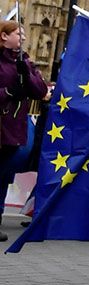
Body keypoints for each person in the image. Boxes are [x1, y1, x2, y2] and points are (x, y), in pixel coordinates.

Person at [0, 20, 50, 239]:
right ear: (4, 36)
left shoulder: (25, 61)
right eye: (18, 33)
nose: (22, 37)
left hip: (14, 125)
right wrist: (9, 91)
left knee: (5, 172)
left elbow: (40, 90)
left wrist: (26, 73)